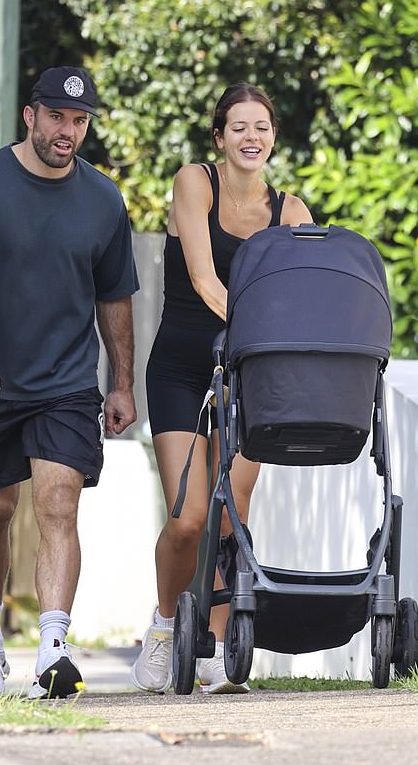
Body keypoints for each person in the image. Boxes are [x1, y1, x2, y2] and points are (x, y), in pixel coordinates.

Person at [0, 66, 139, 698]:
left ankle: (52, 647)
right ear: (30, 116)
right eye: (58, 118)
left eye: (80, 121)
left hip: (67, 383)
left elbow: (115, 297)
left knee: (59, 504)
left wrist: (121, 383)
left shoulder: (102, 199)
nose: (68, 132)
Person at [131, 83, 313, 694]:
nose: (251, 137)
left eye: (261, 126)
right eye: (238, 126)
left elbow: (300, 297)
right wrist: (258, 324)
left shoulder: (293, 214)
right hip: (183, 367)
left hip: (247, 374)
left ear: (273, 137)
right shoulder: (194, 182)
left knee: (231, 519)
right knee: (187, 518)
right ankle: (162, 632)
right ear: (219, 137)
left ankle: (209, 650)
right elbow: (208, 280)